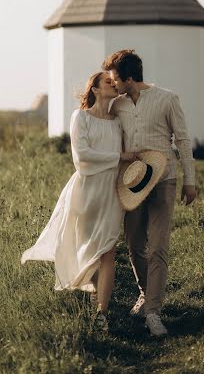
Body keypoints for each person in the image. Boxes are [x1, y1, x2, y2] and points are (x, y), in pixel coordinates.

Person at [21, 71, 137, 331]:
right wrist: (118, 157)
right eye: (107, 82)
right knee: (88, 249)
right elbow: (81, 157)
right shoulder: (80, 117)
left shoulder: (118, 122)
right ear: (95, 89)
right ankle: (96, 292)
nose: (113, 84)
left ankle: (102, 314)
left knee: (108, 250)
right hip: (85, 191)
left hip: (111, 192)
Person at [102, 49, 196, 337]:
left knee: (158, 247)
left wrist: (189, 180)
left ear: (129, 78)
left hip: (164, 180)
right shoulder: (116, 105)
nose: (113, 83)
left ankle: (153, 312)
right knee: (134, 245)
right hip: (131, 184)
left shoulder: (167, 99)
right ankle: (145, 292)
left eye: (116, 78)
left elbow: (182, 139)